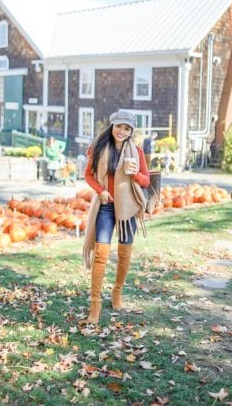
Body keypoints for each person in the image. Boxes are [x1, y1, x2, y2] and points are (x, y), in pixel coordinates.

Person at [83, 109, 150, 324]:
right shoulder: (99, 147)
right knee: (101, 255)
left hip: (127, 208)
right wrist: (100, 191)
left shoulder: (136, 151)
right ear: (112, 126)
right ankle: (95, 305)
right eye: (119, 126)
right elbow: (88, 175)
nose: (122, 131)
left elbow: (146, 181)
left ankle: (117, 293)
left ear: (131, 131)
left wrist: (134, 174)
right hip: (106, 206)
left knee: (124, 254)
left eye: (127, 128)